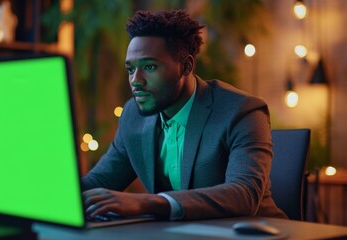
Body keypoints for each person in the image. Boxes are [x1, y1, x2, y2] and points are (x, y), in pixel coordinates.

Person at [81, 9, 287, 221]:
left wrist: (146, 202)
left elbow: (244, 195)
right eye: (130, 69)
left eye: (149, 67)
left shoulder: (241, 111)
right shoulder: (133, 116)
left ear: (186, 66)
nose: (136, 80)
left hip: (255, 233)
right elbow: (99, 181)